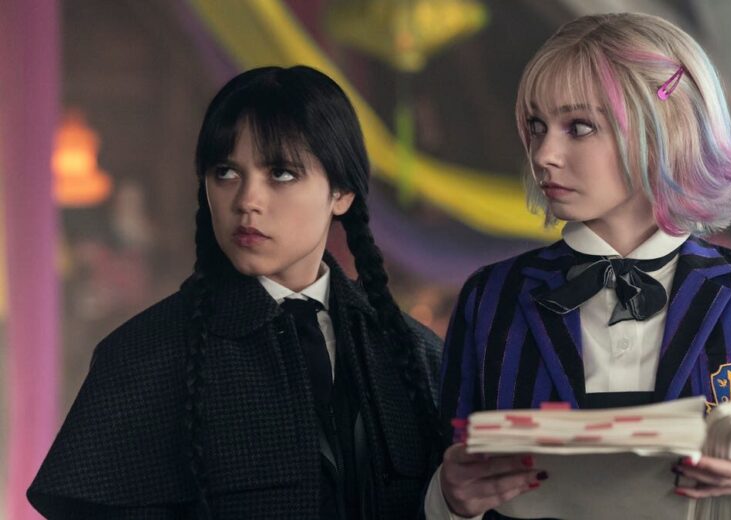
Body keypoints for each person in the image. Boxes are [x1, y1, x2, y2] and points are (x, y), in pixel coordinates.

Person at [426, 12, 731, 520]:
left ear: (665, 130)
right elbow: (438, 472)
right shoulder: (492, 296)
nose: (544, 153)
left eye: (579, 127)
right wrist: (449, 502)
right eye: (536, 126)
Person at [28, 66, 442, 519]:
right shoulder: (144, 356)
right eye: (225, 172)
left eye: (281, 173)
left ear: (341, 191)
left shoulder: (417, 357)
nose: (247, 200)